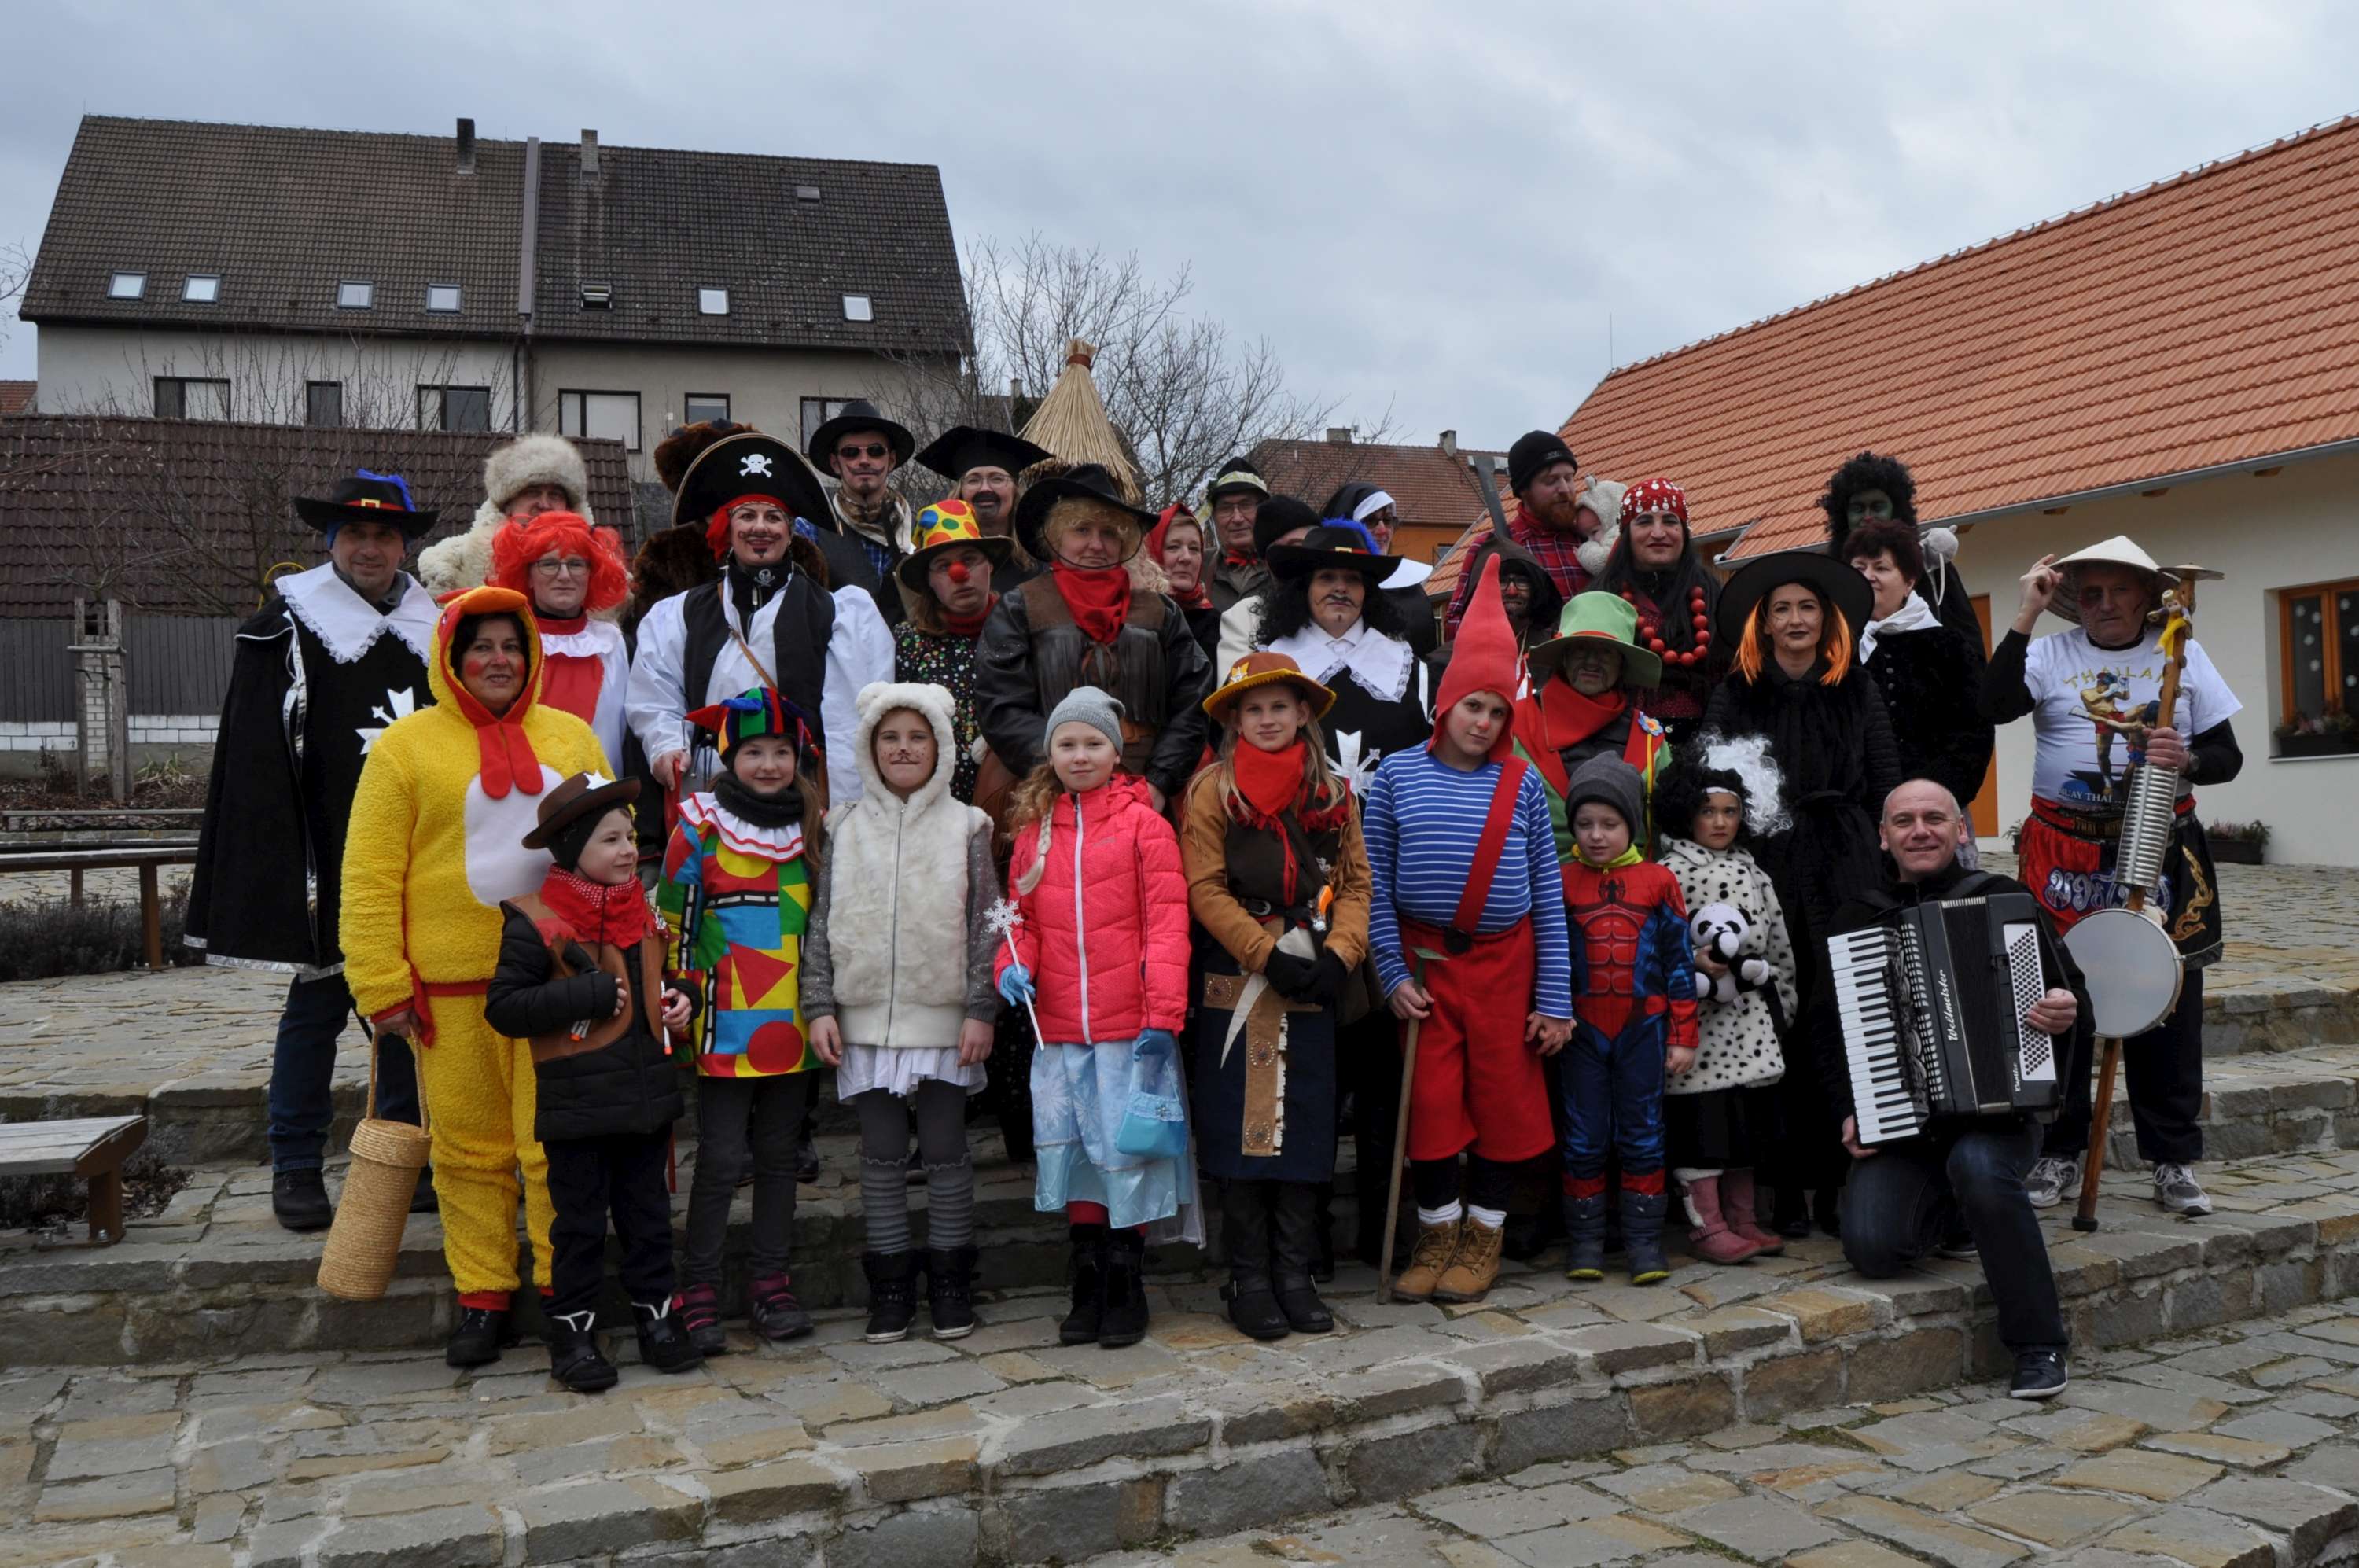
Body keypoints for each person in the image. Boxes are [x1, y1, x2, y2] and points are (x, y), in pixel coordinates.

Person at [340, 586, 609, 1367]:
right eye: (482, 647)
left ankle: (566, 1297)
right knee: (468, 1152)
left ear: (531, 654)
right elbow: (369, 876)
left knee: (556, 1147)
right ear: (452, 659)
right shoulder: (405, 748)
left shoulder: (572, 737)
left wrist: (618, 955)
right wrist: (382, 984)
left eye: (512, 646)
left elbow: (611, 849)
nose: (499, 660)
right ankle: (482, 1294)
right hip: (452, 992)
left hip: (558, 984)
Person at [187, 470, 437, 1231]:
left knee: (412, 1012)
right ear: (331, 542)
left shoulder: (437, 627)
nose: (370, 548)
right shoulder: (286, 626)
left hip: (420, 854)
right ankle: (295, 1161)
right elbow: (257, 756)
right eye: (355, 533)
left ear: (404, 546)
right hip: (329, 856)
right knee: (318, 1008)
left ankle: (405, 1154)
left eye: (385, 534)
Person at [1984, 538, 2242, 1218]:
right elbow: (1993, 703)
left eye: (2118, 591)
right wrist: (2024, 616)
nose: (2103, 605)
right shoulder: (2048, 653)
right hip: (2063, 851)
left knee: (2168, 1003)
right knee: (2058, 1000)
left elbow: (2228, 756)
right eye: (2090, 593)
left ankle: (2173, 1159)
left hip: (2160, 848)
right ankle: (2059, 1150)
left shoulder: (2182, 654)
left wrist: (2187, 759)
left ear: (2145, 595)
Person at [1816, 779, 2087, 1401]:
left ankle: (2039, 1345)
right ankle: (1964, 1213)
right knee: (1873, 1248)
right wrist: (1850, 1108)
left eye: (1935, 818)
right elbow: (1827, 1030)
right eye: (1904, 821)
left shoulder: (2005, 900)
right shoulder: (1858, 917)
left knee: (1979, 1165)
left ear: (1960, 830)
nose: (1920, 831)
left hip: (2000, 1120)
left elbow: (2074, 1000)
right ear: (1883, 837)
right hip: (1907, 1124)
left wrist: (2062, 1010)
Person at [1365, 558, 1573, 1305]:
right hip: (1425, 968)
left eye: (1496, 711)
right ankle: (1436, 1232)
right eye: (1472, 707)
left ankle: (1484, 1235)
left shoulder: (1522, 784)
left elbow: (1547, 896)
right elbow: (1374, 887)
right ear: (1445, 703)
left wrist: (1555, 998)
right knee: (1431, 1104)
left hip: (1505, 967)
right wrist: (1392, 975)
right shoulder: (1396, 777)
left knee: (1500, 1103)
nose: (1483, 723)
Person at [1252, 525, 1437, 1270]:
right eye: (1326, 577)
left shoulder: (1409, 668)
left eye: (1354, 579)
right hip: (1298, 883)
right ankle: (1312, 1230)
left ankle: (1387, 1224)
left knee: (1385, 1063)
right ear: (1303, 589)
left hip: (1391, 878)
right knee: (1312, 1066)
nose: (1340, 590)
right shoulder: (1271, 667)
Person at [1700, 550, 1899, 1239]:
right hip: (1766, 864)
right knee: (1772, 1012)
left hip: (1846, 860)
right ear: (1764, 622)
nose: (1794, 620)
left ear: (1826, 618)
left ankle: (1842, 1177)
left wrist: (1881, 861)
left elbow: (1884, 777)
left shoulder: (1856, 688)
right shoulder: (1736, 693)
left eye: (1806, 607)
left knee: (1843, 1011)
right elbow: (1713, 784)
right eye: (1781, 609)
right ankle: (1783, 1183)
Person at [995, 688, 1199, 1349]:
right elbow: (1019, 921)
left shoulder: (1146, 827)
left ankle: (1125, 1281)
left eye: (1092, 743)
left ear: (1116, 753)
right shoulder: (1034, 834)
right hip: (1059, 1030)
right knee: (1082, 1155)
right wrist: (1012, 964)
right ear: (1050, 754)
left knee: (1125, 1155)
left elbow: (1167, 926)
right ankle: (1086, 1281)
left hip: (1128, 1032)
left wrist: (1162, 1013)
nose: (1079, 756)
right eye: (1067, 744)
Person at [483, 773, 699, 1391]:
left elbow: (665, 977)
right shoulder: (535, 922)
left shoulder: (644, 913)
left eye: (631, 836)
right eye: (611, 840)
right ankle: (572, 1338)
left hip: (645, 1104)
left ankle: (659, 1321)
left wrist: (682, 998)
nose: (629, 850)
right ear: (573, 848)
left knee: (649, 1221)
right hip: (576, 1112)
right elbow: (505, 1007)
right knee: (577, 1230)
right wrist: (587, 994)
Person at [802, 683, 1002, 1343]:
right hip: (864, 1020)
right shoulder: (844, 828)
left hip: (944, 1019)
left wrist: (980, 1008)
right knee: (883, 1153)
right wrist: (820, 1005)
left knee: (944, 1149)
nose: (904, 749)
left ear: (941, 747)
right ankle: (890, 1284)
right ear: (869, 746)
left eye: (918, 737)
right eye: (889, 737)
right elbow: (822, 923)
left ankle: (950, 1278)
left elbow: (987, 925)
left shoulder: (967, 826)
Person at [1182, 653, 1371, 1339]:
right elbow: (1204, 887)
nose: (1267, 719)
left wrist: (1342, 954)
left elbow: (1355, 883)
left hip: (1314, 969)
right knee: (1241, 1128)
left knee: (1305, 1123)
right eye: (1253, 708)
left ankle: (1295, 1274)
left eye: (1280, 707)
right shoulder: (1212, 791)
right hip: (1240, 974)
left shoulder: (1333, 794)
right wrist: (1263, 954)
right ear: (1235, 719)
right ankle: (1249, 1277)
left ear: (1302, 714)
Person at [660, 687, 827, 1352]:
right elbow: (677, 916)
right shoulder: (698, 825)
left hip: (794, 1020)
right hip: (723, 1018)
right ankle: (698, 1285)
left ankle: (770, 1282)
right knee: (723, 1157)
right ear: (731, 757)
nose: (768, 765)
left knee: (781, 1155)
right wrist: (679, 988)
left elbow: (826, 921)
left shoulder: (813, 827)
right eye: (754, 751)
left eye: (781, 751)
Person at [627, 428, 896, 814]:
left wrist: (843, 811)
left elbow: (852, 720)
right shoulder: (679, 614)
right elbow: (655, 693)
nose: (760, 527)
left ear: (789, 531)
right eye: (747, 516)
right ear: (727, 529)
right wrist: (667, 744)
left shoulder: (839, 614)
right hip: (712, 799)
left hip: (801, 801)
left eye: (773, 517)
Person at [973, 463, 1212, 812]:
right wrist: (1063, 772)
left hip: (1144, 792)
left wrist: (1160, 783)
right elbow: (1001, 705)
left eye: (1109, 533)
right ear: (1056, 536)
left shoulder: (1162, 612)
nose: (1096, 544)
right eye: (1082, 530)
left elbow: (1193, 702)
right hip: (1046, 791)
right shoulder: (1019, 607)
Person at [1653, 745, 1798, 1263]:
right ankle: (1707, 1225)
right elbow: (1656, 939)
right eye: (1708, 811)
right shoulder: (1669, 872)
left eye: (1730, 811)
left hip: (1750, 1021)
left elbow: (1777, 941)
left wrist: (1783, 998)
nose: (1719, 822)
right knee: (1703, 1124)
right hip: (1698, 1025)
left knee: (1746, 1123)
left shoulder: (1754, 872)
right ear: (1686, 813)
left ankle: (1743, 1218)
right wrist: (1689, 963)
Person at [1556, 756, 1698, 1285]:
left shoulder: (1659, 881)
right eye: (1585, 824)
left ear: (1632, 825)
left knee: (1643, 1135)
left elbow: (1680, 964)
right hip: (1580, 1033)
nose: (1596, 835)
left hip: (1645, 1031)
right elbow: (1547, 958)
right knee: (1583, 1137)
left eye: (1610, 824)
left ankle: (1644, 1245)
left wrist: (1683, 1036)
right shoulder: (1560, 880)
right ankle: (1585, 1243)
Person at [1846, 517, 1995, 848]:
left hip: (1934, 815)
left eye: (1881, 568)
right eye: (1859, 567)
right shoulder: (1835, 649)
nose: (1868, 576)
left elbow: (1974, 734)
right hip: (1857, 822)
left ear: (1909, 582)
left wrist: (1928, 801)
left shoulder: (1948, 646)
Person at [1517, 592, 1673, 856]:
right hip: (1538, 880)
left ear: (1622, 664)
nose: (1591, 662)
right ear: (1564, 657)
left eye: (1605, 652)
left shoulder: (1650, 740)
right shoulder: (1514, 725)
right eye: (1580, 649)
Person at [488, 510, 632, 769]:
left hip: (606, 789)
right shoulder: (506, 644)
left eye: (576, 564)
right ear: (527, 575)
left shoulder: (613, 643)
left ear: (591, 573)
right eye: (549, 564)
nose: (564, 575)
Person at [891, 500, 1012, 808]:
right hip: (934, 807)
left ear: (989, 565)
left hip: (1009, 801)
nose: (959, 574)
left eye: (969, 560)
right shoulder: (908, 642)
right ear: (929, 581)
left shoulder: (1021, 631)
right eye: (943, 567)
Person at [1591, 478, 1725, 746]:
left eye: (1670, 521)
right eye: (1644, 522)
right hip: (1619, 744)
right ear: (1626, 534)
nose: (1658, 533)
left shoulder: (1713, 596)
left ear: (1683, 532)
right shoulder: (1602, 598)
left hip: (1706, 743)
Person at [1819, 451, 1981, 647]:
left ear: (1896, 510)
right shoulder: (1832, 576)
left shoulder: (1930, 565)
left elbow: (1969, 642)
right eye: (1858, 509)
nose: (1868, 517)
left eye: (1877, 507)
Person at [1443, 429, 1595, 635]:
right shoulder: (1493, 548)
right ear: (1524, 490)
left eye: (1569, 478)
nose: (1565, 489)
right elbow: (1454, 624)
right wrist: (1501, 626)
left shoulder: (1591, 538)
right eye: (1551, 481)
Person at [415, 433, 602, 598]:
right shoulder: (454, 562)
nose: (544, 504)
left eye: (555, 495)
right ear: (508, 504)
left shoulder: (598, 563)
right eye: (532, 492)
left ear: (568, 507)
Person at [806, 399, 917, 622]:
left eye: (876, 451)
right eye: (851, 452)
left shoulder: (919, 529)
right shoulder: (812, 529)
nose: (864, 460)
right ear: (835, 463)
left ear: (891, 460)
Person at [914, 425, 1051, 583]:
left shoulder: (1043, 550)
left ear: (1015, 489)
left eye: (997, 479)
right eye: (973, 480)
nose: (985, 488)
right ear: (961, 491)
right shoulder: (939, 555)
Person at [1320, 481, 1441, 654]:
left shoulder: (1411, 584)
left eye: (1388, 520)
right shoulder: (1323, 588)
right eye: (1370, 521)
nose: (1383, 530)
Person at [1150, 502, 1222, 660]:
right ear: (1153, 552)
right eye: (1174, 547)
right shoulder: (1132, 617)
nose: (1186, 558)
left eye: (1194, 549)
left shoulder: (1217, 626)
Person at [1203, 455, 1274, 611]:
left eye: (1246, 505)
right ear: (1213, 516)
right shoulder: (1197, 568)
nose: (1237, 518)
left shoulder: (1284, 565)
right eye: (1225, 508)